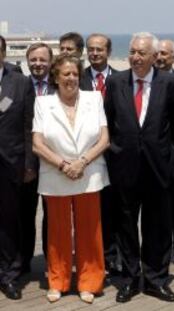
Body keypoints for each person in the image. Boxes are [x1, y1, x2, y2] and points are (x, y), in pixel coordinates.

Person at [104, 32, 174, 303]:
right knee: (125, 225)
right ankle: (129, 279)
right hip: (124, 167)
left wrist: (172, 159)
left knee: (158, 226)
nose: (136, 57)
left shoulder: (171, 83)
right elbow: (109, 120)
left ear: (154, 56)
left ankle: (156, 279)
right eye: (133, 52)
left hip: (159, 168)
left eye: (142, 53)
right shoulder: (115, 83)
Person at [32, 55, 109, 304]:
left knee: (90, 231)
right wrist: (64, 165)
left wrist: (82, 162)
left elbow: (104, 139)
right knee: (57, 233)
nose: (71, 78)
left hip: (89, 173)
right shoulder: (43, 103)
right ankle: (58, 281)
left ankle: (90, 282)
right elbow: (38, 144)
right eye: (66, 74)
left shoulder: (94, 98)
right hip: (56, 174)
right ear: (56, 77)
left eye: (75, 74)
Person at [80, 33, 121, 277]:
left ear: (108, 51)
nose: (95, 53)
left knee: (114, 208)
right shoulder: (78, 77)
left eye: (99, 49)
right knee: (90, 210)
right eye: (91, 49)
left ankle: (112, 256)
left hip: (115, 154)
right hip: (86, 154)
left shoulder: (120, 78)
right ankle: (92, 256)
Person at [0, 35, 36, 300]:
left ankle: (9, 275)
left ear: (3, 54)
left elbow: (28, 126)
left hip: (11, 163)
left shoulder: (21, 83)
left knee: (9, 223)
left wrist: (29, 164)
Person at [21, 42, 54, 274]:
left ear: (50, 62)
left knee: (53, 217)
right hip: (26, 162)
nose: (38, 64)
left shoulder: (60, 84)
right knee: (24, 214)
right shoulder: (19, 85)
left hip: (54, 162)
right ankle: (22, 262)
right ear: (27, 61)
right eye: (33, 60)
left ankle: (53, 261)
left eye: (42, 60)